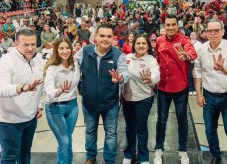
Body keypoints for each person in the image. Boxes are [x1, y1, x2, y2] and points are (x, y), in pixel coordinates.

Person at [75, 24, 129, 164]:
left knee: (111, 134)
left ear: (113, 38)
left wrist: (120, 78)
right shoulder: (84, 51)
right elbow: (72, 65)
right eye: (102, 36)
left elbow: (125, 73)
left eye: (109, 36)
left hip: (110, 104)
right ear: (95, 37)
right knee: (90, 131)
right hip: (89, 103)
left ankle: (109, 159)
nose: (105, 39)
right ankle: (91, 157)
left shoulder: (118, 55)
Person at [193, 19, 227, 164]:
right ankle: (216, 154)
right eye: (210, 31)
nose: (213, 33)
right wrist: (199, 93)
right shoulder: (201, 49)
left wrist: (223, 69)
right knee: (209, 130)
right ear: (206, 33)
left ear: (222, 32)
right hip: (209, 97)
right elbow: (197, 72)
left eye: (216, 30)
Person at [153, 15, 197, 164]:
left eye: (173, 25)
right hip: (163, 87)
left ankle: (183, 150)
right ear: (164, 26)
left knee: (182, 120)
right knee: (161, 120)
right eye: (168, 25)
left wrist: (186, 56)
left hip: (180, 88)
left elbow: (192, 54)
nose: (171, 27)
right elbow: (157, 60)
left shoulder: (184, 40)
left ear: (177, 26)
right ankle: (158, 149)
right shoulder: (159, 41)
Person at [0, 29, 44, 164]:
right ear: (16, 44)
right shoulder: (6, 61)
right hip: (9, 121)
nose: (30, 48)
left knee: (25, 152)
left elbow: (41, 86)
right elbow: (1, 88)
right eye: (26, 45)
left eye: (33, 44)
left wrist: (39, 105)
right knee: (10, 155)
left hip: (30, 118)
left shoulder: (39, 59)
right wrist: (21, 88)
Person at [122, 35, 160, 164]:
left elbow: (156, 74)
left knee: (141, 128)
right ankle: (129, 153)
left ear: (148, 46)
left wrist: (151, 79)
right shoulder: (127, 58)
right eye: (138, 43)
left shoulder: (151, 60)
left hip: (144, 99)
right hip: (127, 98)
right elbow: (121, 74)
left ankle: (143, 157)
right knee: (129, 127)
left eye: (144, 43)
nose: (141, 45)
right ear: (134, 45)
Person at [44, 37, 80, 164]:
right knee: (64, 141)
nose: (65, 51)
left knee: (68, 139)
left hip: (72, 106)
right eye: (61, 48)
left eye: (67, 47)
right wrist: (58, 91)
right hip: (55, 108)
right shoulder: (52, 68)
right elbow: (48, 89)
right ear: (56, 50)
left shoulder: (75, 63)